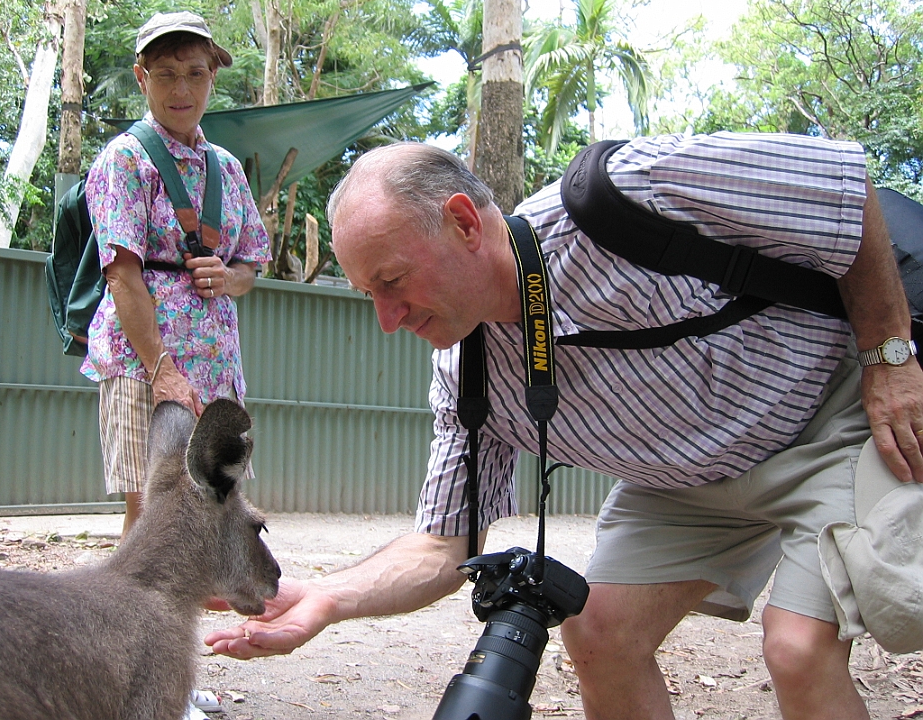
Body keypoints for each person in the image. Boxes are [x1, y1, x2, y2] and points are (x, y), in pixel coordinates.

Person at [204, 135, 923, 719]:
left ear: (463, 222)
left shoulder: (621, 196)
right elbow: (444, 543)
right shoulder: (467, 372)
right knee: (598, 630)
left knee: (796, 647)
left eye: (391, 282)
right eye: (370, 296)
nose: (387, 321)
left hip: (821, 418)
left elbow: (839, 185)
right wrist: (327, 597)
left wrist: (889, 352)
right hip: (686, 481)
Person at [82, 11, 271, 540]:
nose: (181, 89)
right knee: (151, 512)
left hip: (216, 367)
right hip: (145, 364)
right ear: (142, 78)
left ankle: (206, 598)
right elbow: (121, 276)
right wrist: (161, 369)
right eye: (165, 74)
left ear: (213, 75)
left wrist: (228, 277)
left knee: (216, 508)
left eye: (194, 73)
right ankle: (135, 600)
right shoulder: (125, 160)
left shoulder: (227, 168)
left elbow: (251, 264)